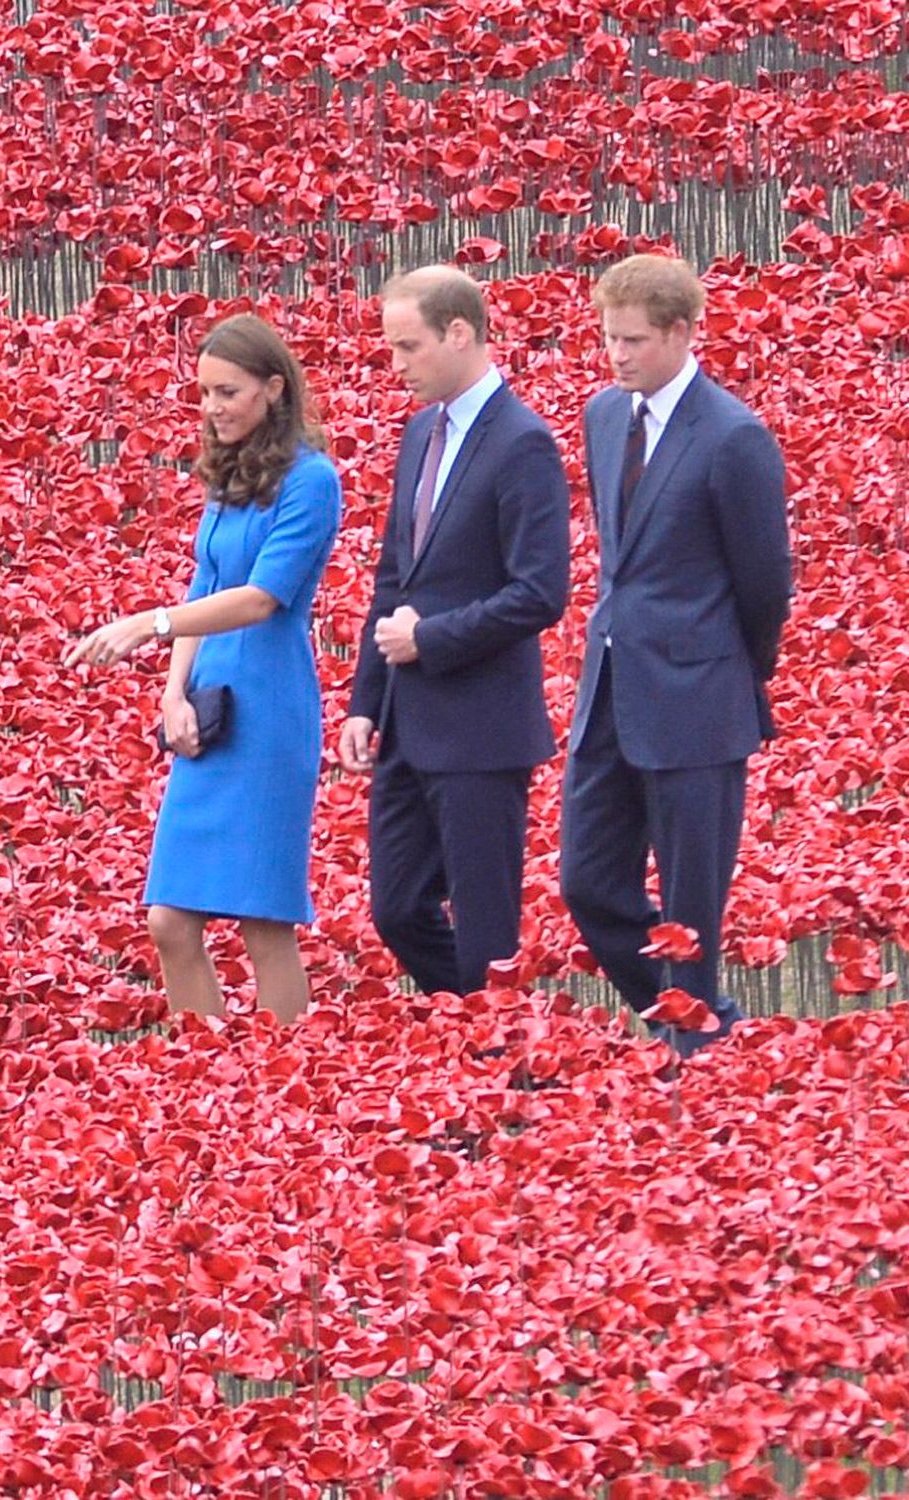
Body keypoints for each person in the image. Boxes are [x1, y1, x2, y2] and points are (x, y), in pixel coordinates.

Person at [64, 315, 341, 1025]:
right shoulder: (232, 473)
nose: (212, 408)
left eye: (228, 392)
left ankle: (283, 1079)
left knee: (261, 919)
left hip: (270, 705)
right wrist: (170, 692)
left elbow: (257, 599)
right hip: (211, 697)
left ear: (274, 389)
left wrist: (146, 625)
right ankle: (210, 1069)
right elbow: (204, 581)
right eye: (204, 394)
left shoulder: (311, 483)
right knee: (169, 920)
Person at [560, 254, 792, 1057]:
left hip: (699, 695)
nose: (616, 355)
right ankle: (696, 1019)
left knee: (693, 900)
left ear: (682, 333)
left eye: (633, 341)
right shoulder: (600, 417)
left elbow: (766, 584)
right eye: (608, 338)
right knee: (586, 882)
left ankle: (695, 1054)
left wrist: (732, 672)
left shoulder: (734, 437)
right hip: (611, 686)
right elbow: (618, 558)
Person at [338, 265, 570, 996]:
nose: (397, 364)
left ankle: (503, 1062)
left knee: (486, 926)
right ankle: (480, 1027)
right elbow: (394, 579)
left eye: (409, 347)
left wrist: (431, 639)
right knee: (397, 907)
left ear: (460, 333)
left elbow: (540, 592)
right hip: (409, 720)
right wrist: (365, 703)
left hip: (481, 726)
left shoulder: (523, 442)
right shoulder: (419, 434)